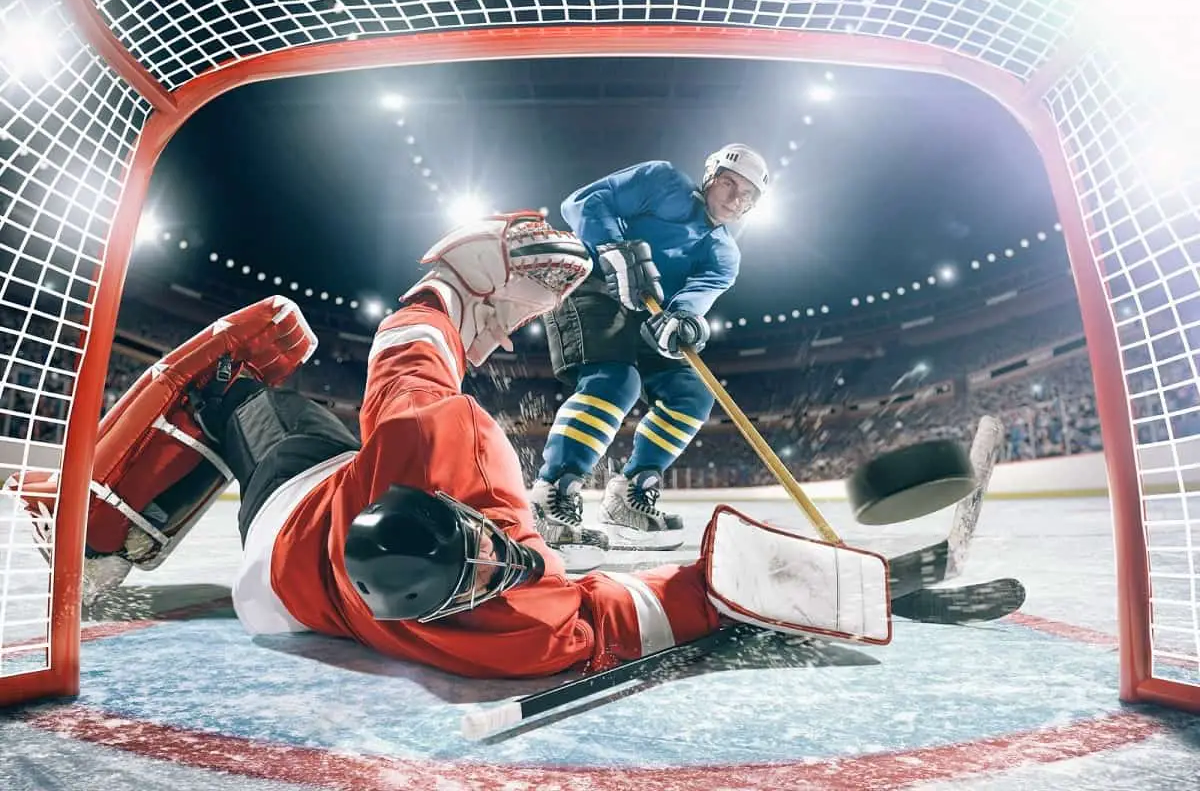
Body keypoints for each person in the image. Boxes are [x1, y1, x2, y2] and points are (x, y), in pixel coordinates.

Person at [8, 211, 886, 680]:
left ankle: (118, 500)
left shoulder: (421, 447)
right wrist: (751, 590)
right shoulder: (525, 617)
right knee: (299, 414)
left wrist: (454, 293)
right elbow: (636, 615)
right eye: (499, 554)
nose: (506, 560)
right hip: (295, 570)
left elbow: (410, 348)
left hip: (290, 533)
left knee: (244, 400)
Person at [532, 144, 770, 557]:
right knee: (615, 381)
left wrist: (685, 322)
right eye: (730, 184)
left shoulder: (725, 255)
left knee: (693, 394)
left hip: (647, 314)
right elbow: (583, 202)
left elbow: (694, 300)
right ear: (711, 176)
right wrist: (611, 248)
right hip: (591, 288)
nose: (735, 198)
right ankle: (550, 493)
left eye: (746, 195)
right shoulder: (662, 181)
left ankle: (631, 493)